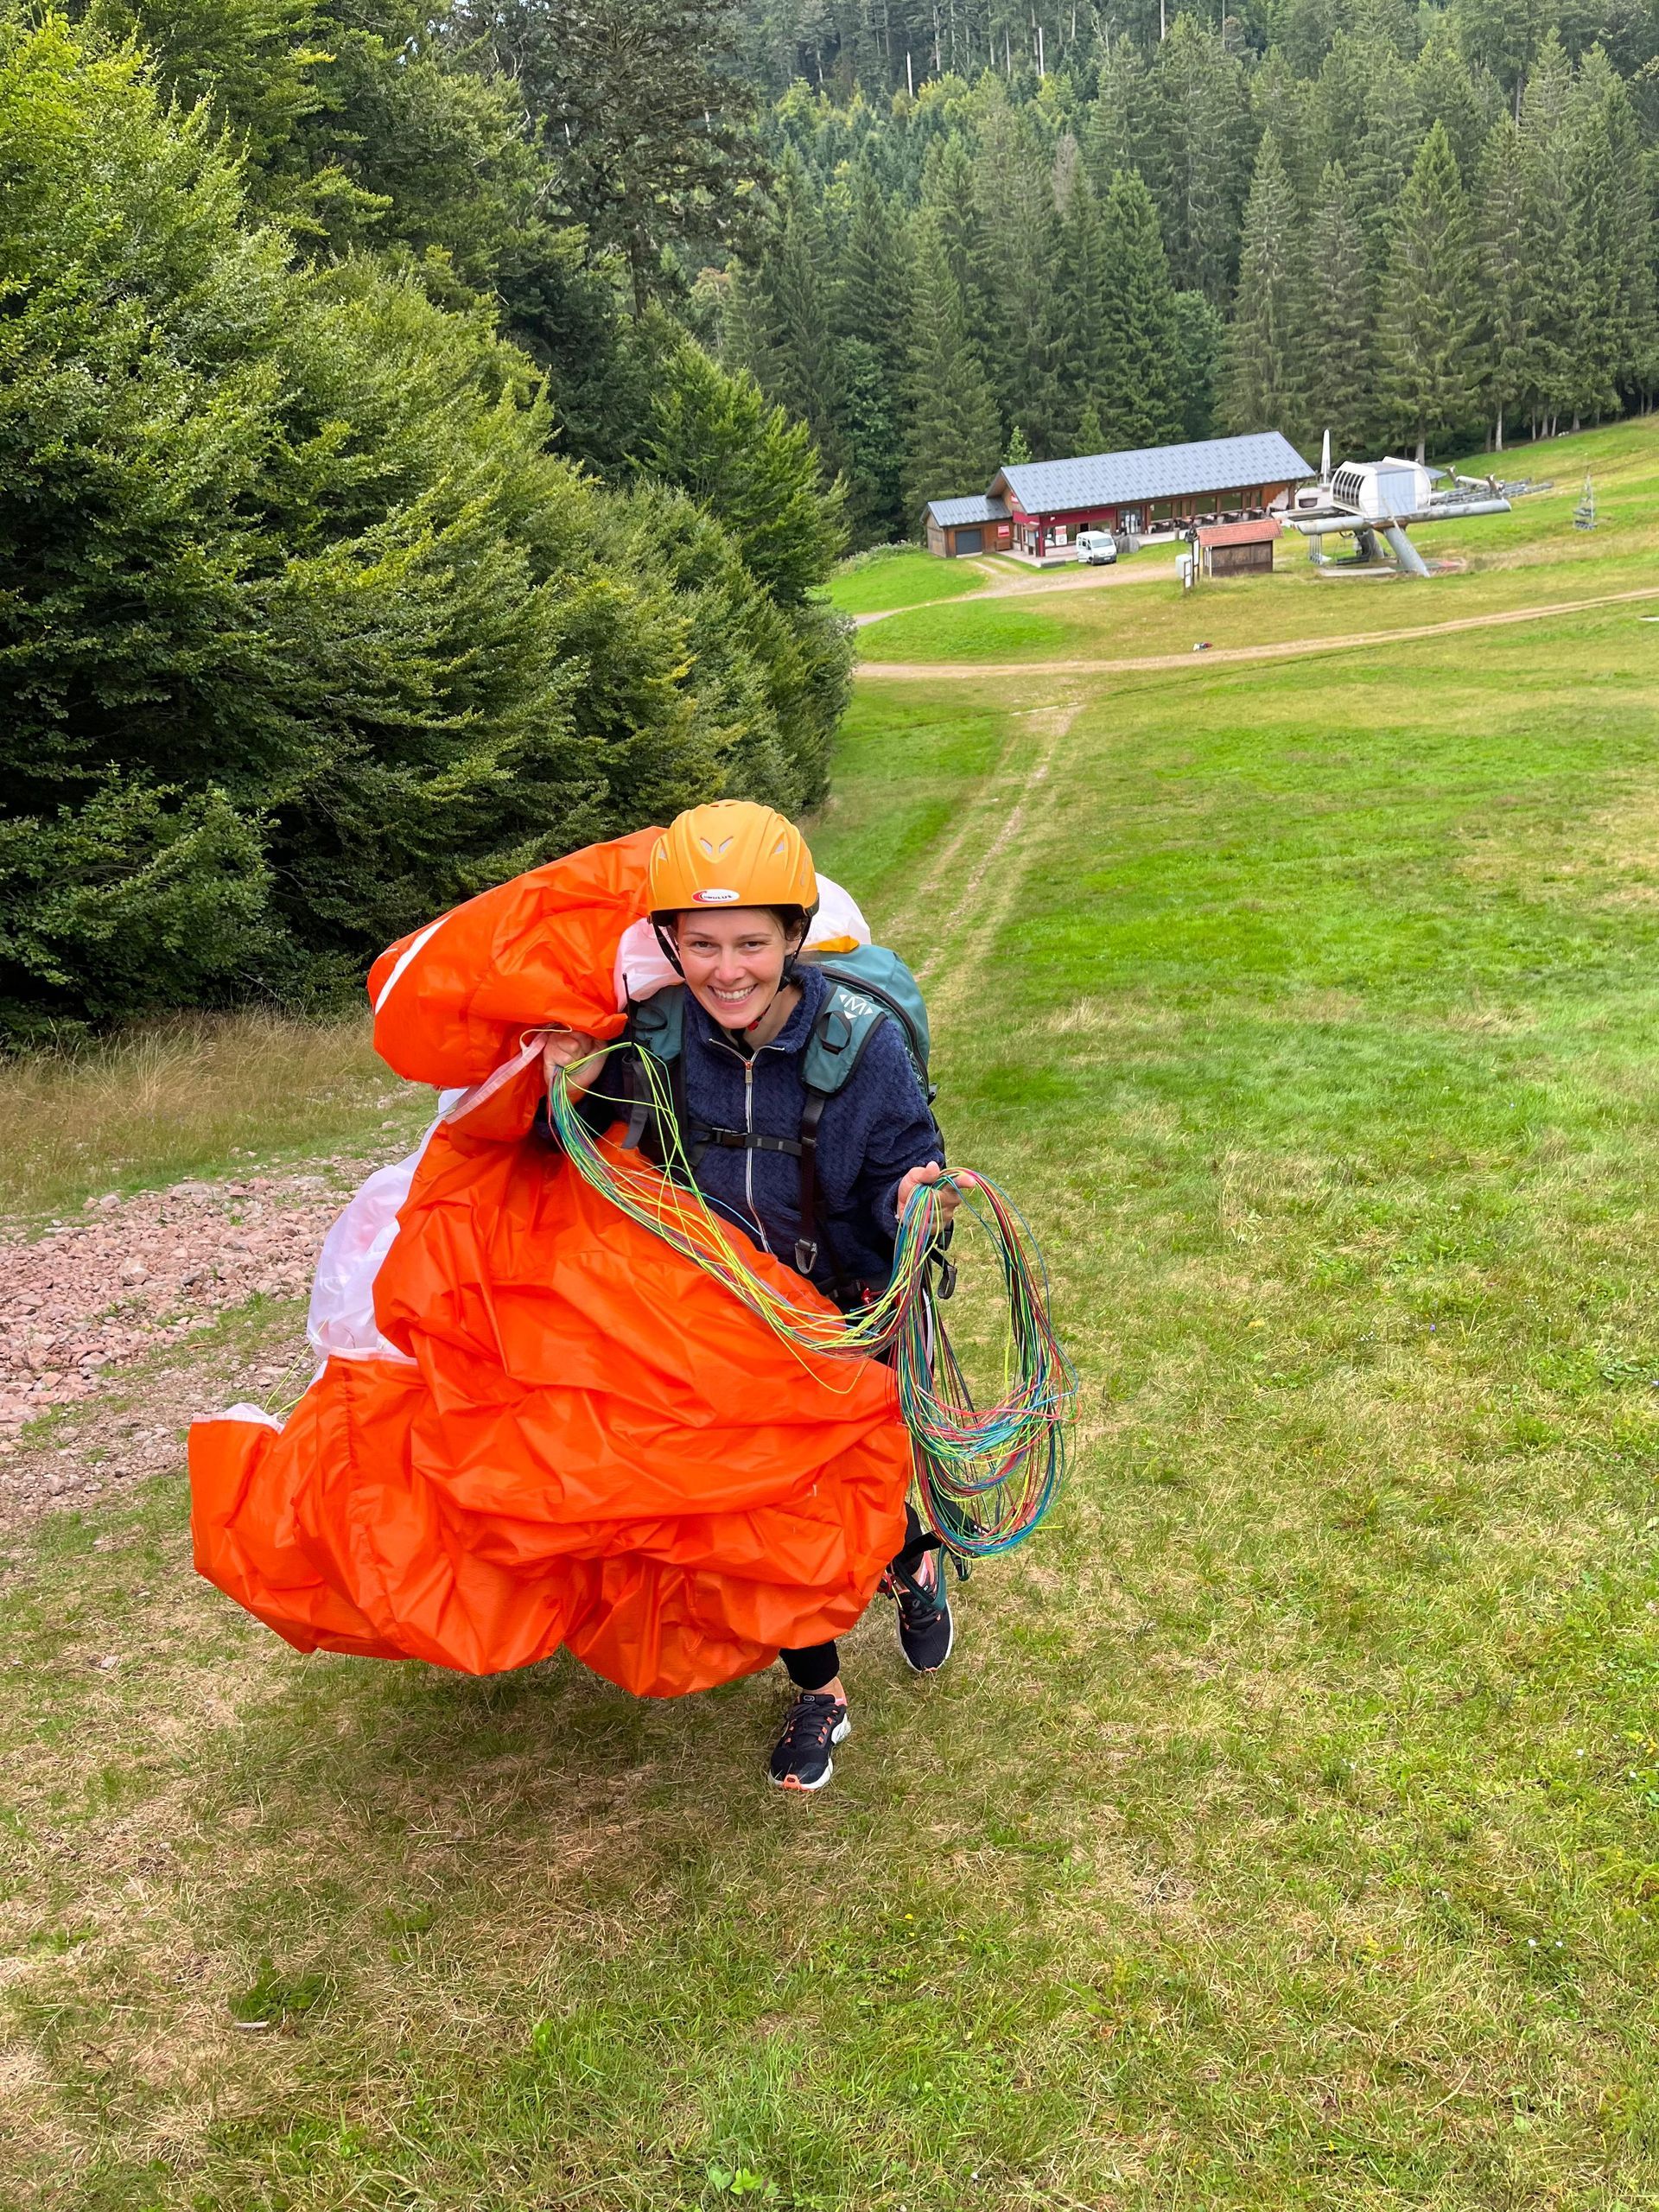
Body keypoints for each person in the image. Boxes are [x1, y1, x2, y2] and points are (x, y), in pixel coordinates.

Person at [538, 800, 963, 1792]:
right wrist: (566, 1085)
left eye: (750, 943)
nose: (727, 969)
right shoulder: (656, 1038)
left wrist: (918, 1194)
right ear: (669, 944)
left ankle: (913, 1557)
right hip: (724, 1325)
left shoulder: (862, 1045)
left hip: (845, 1311)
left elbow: (909, 1159)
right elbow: (577, 1162)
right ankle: (821, 1690)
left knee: (853, 1485)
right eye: (701, 944)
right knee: (759, 1519)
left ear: (794, 939)